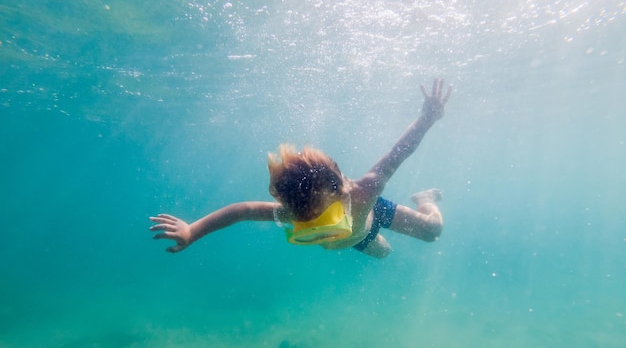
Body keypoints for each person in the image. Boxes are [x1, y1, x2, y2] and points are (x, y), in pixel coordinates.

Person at [150, 78, 452, 258]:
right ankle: (370, 238)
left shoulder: (364, 191)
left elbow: (398, 153)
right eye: (306, 219)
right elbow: (241, 210)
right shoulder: (292, 208)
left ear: (344, 188)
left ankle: (425, 199)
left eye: (322, 215)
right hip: (356, 236)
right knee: (385, 253)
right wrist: (193, 230)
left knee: (431, 232)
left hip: (373, 212)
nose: (312, 222)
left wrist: (427, 118)